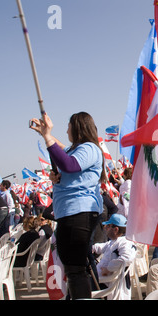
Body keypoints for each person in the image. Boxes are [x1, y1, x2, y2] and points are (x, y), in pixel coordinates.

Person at [30, 111, 106, 299]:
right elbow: (62, 151)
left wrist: (47, 136)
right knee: (72, 267)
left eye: (69, 127)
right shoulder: (77, 149)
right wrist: (44, 132)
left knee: (75, 267)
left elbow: (69, 164)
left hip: (79, 212)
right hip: (69, 213)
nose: (66, 131)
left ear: (78, 128)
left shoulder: (89, 148)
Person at [92, 214, 136, 300]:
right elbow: (101, 247)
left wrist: (108, 269)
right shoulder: (114, 241)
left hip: (107, 284)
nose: (105, 228)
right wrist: (91, 248)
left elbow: (126, 258)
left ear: (115, 229)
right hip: (102, 280)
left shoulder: (125, 243)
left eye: (108, 226)